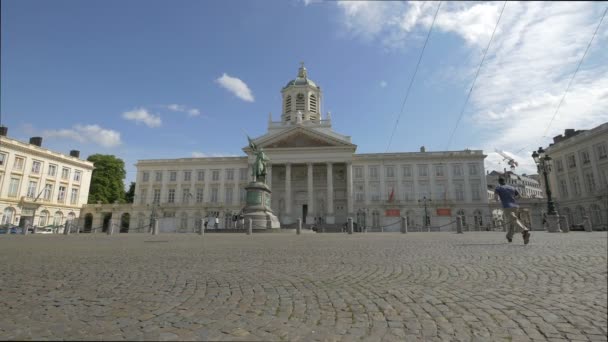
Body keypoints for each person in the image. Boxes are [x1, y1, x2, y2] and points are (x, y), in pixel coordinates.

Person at [495, 177, 531, 244]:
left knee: (513, 220)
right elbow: (519, 196)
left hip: (507, 206)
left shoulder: (498, 188)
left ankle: (524, 231)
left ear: (499, 182)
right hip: (515, 206)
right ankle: (509, 236)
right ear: (504, 181)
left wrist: (499, 201)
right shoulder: (512, 187)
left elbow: (496, 198)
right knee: (512, 222)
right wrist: (513, 199)